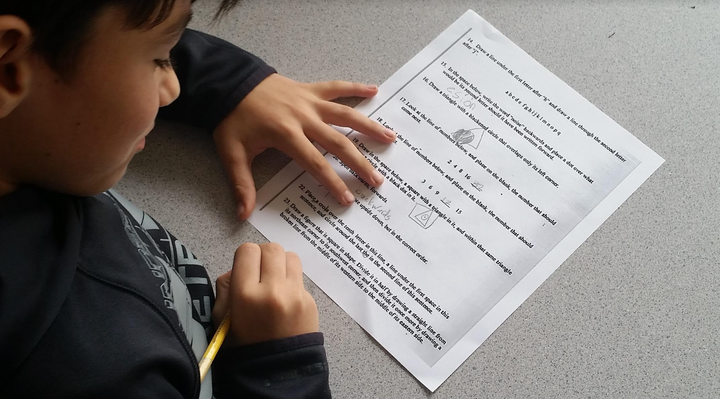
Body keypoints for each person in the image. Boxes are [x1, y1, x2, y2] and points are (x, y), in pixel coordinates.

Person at [0, 0, 395, 397]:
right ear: (8, 69)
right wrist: (280, 370)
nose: (173, 89)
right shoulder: (102, 372)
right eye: (158, 60)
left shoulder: (38, 148)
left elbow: (102, 29)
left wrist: (232, 84)